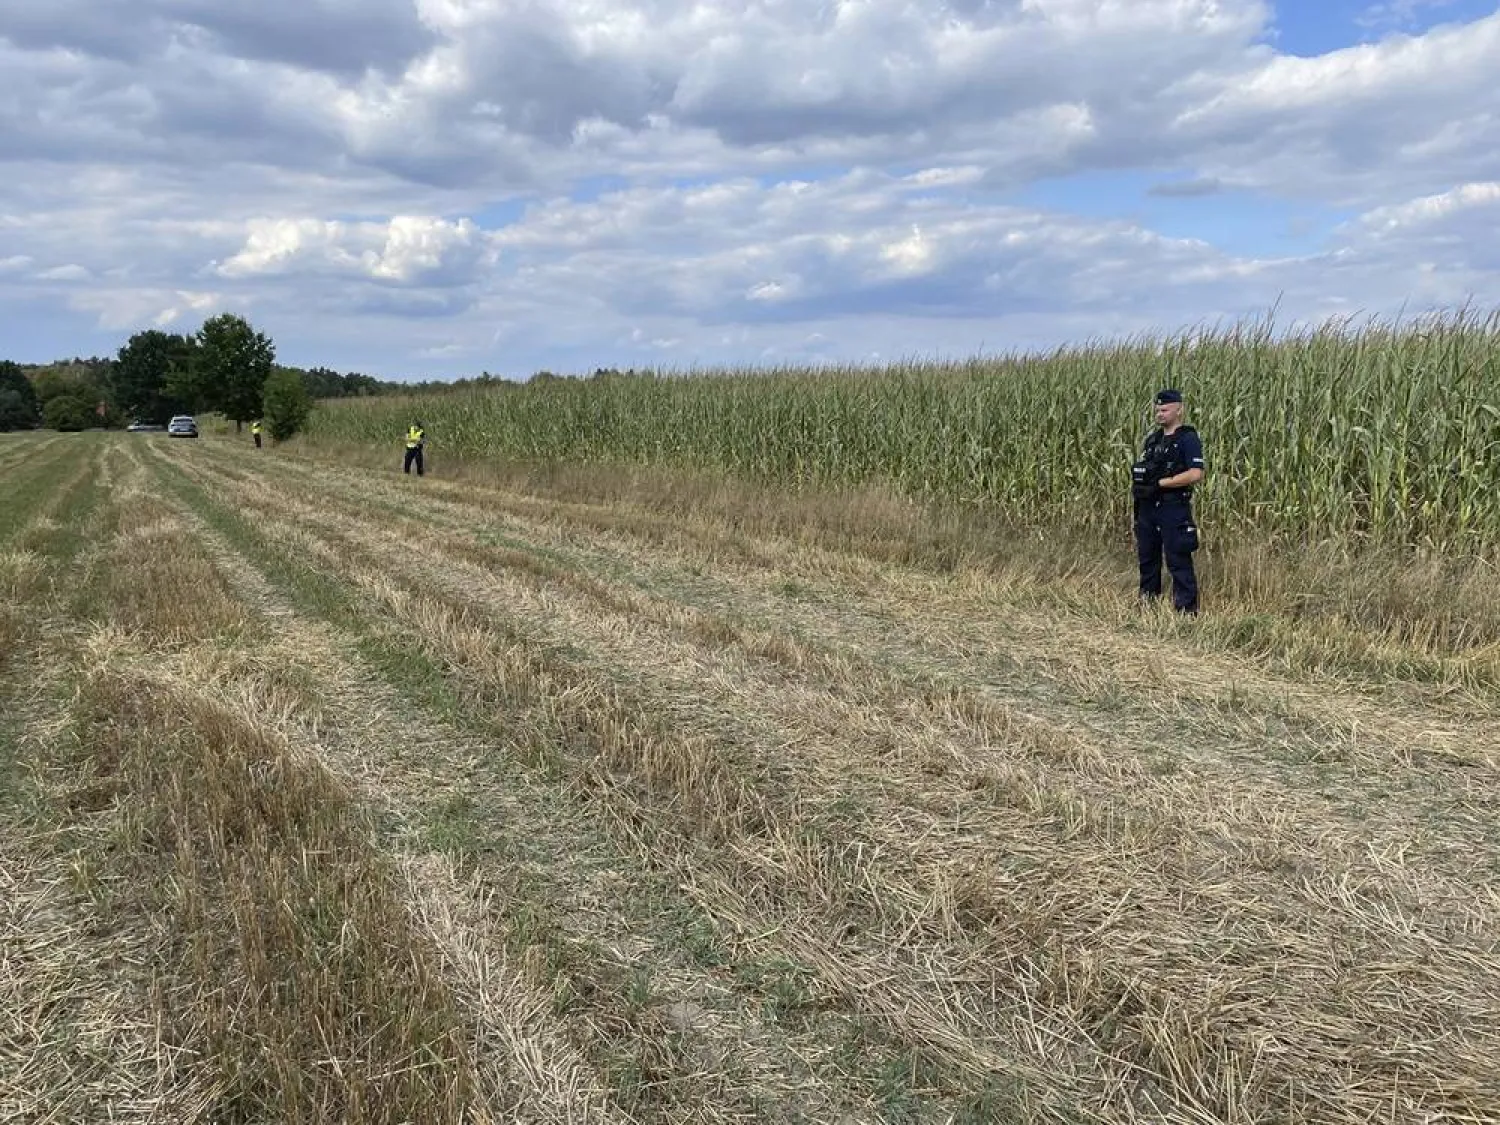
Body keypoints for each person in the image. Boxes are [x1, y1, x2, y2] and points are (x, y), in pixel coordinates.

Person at [1131, 388, 1205, 614]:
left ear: (1179, 410)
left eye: (1165, 409)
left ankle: (1186, 611)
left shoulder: (1188, 438)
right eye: (1157, 409)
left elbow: (1196, 473)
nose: (1159, 413)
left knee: (1178, 558)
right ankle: (1148, 604)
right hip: (1148, 506)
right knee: (1148, 557)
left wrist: (1162, 483)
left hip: (1173, 506)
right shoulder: (1153, 440)